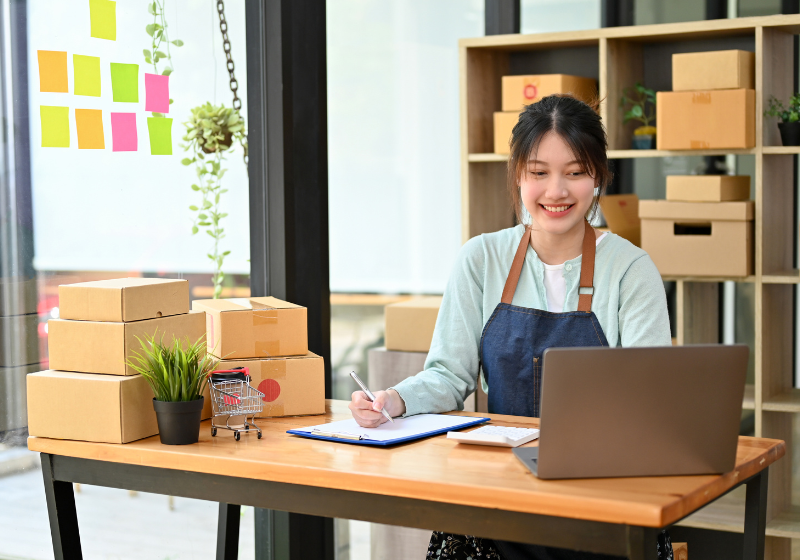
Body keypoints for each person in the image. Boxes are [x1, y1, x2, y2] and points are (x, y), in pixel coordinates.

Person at [349, 94, 672, 559]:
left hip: (603, 501)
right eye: (539, 173)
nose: (556, 191)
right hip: (497, 501)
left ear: (598, 177)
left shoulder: (630, 269)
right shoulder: (480, 259)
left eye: (575, 172)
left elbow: (651, 398)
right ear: (518, 176)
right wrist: (392, 401)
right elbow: (448, 375)